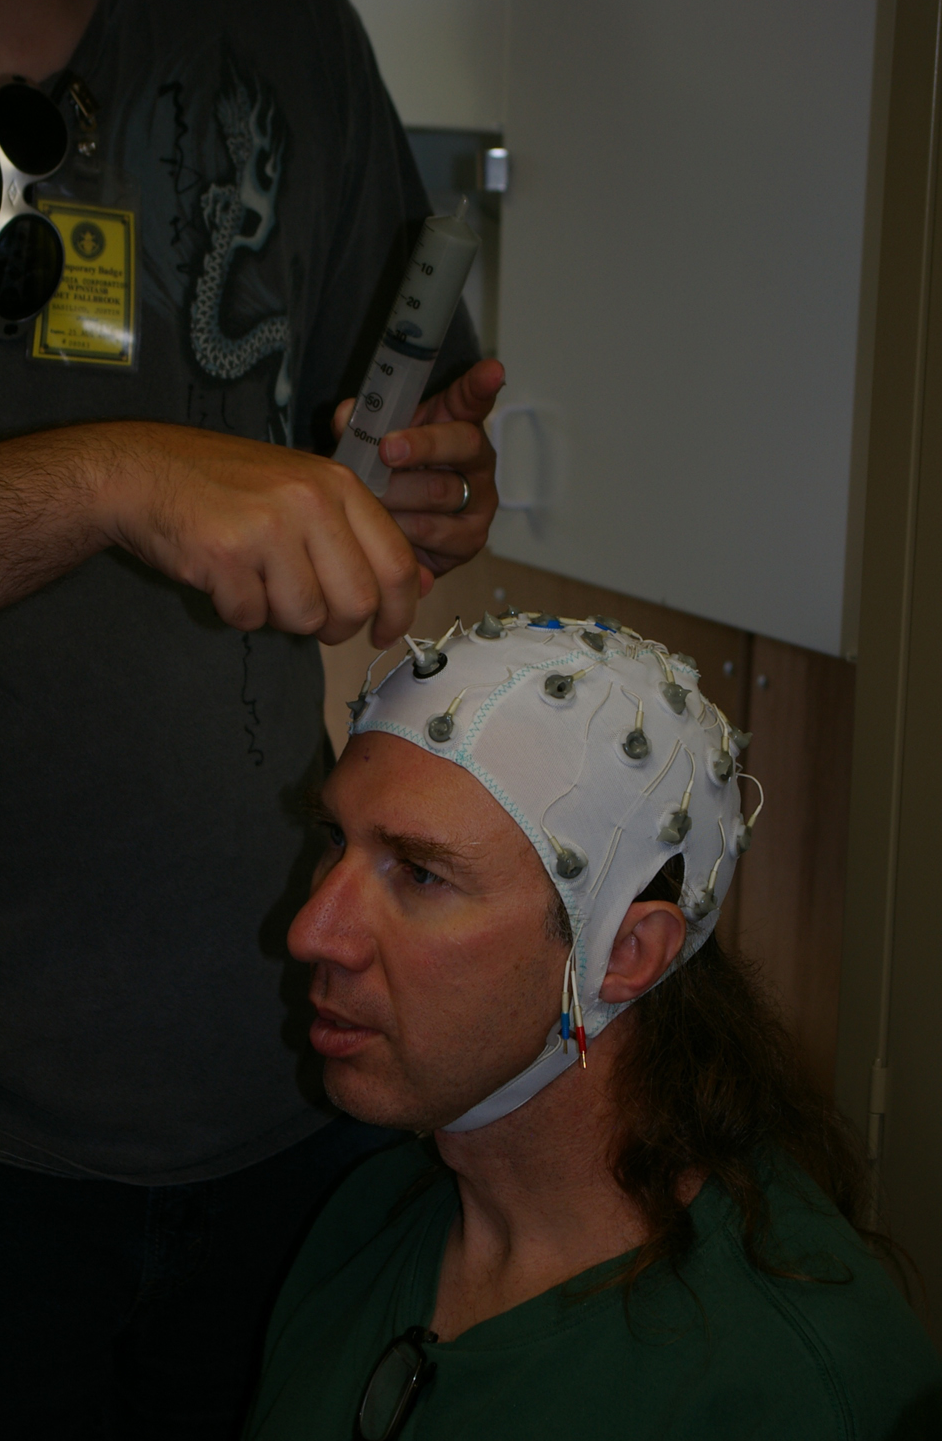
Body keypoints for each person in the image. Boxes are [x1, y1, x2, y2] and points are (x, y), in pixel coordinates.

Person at [0, 0, 501, 1434]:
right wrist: (117, 474)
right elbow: (143, 475)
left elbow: (374, 426)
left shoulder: (281, 20)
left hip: (291, 1096)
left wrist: (431, 487)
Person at [244, 611, 942, 1440]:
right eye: (335, 839)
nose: (312, 930)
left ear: (624, 954)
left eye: (421, 875)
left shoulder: (799, 1388)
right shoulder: (370, 1219)